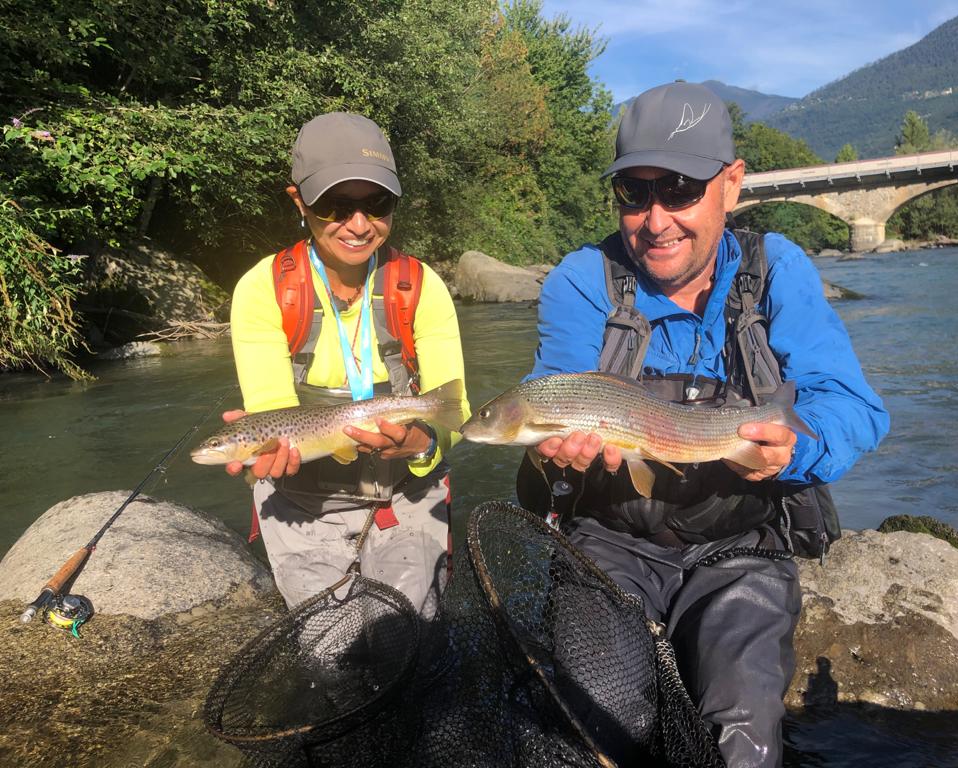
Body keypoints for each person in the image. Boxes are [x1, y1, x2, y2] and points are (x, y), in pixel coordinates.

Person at [516, 82, 889, 766]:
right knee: (595, 718)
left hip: (742, 545)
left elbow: (854, 407)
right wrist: (550, 455)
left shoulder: (777, 272)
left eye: (681, 190)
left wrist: (792, 452)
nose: (655, 220)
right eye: (634, 191)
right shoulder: (582, 281)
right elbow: (549, 398)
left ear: (732, 184)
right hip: (612, 543)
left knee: (742, 736)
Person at [223, 112, 470, 616]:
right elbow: (273, 410)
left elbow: (455, 414)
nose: (359, 225)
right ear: (300, 201)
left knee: (408, 634)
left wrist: (423, 444)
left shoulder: (420, 287)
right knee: (333, 658)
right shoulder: (264, 289)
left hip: (406, 496)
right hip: (302, 506)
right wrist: (266, 454)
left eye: (376, 204)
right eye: (335, 205)